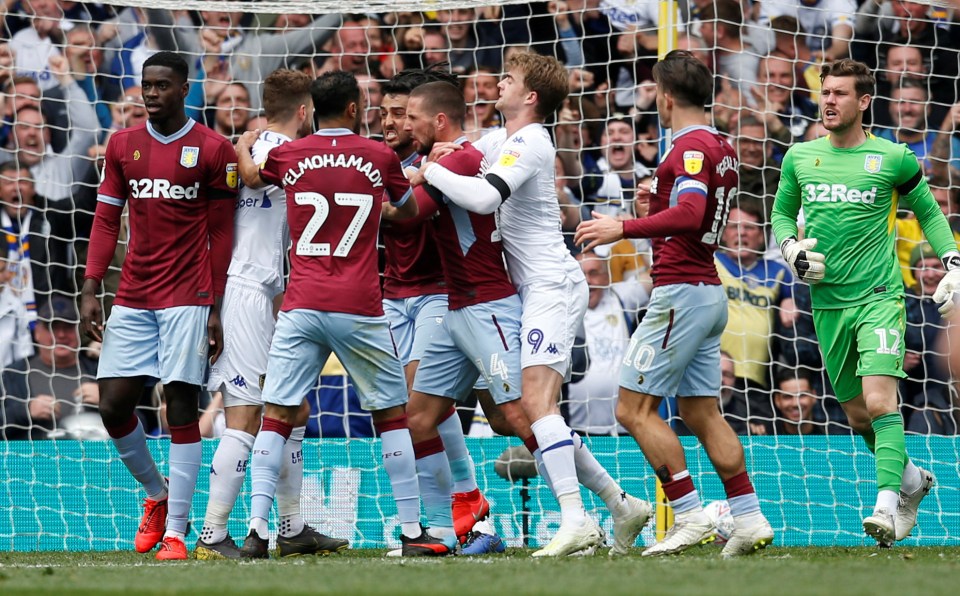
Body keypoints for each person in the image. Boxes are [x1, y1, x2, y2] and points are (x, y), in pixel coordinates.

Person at [415, 51, 648, 557]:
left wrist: (431, 174)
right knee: (517, 413)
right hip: (524, 289)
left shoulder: (535, 142)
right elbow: (463, 152)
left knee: (536, 403)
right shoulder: (503, 138)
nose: (498, 83)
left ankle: (574, 520)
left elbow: (482, 198)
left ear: (531, 96)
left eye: (509, 78)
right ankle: (619, 503)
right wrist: (435, 159)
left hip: (552, 286)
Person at [575, 49, 774, 558]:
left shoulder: (687, 148)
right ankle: (748, 517)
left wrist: (624, 225)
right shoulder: (721, 146)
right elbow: (688, 214)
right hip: (707, 291)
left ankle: (686, 513)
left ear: (665, 97)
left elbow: (690, 212)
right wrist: (654, 208)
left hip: (681, 295)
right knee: (702, 411)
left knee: (632, 407)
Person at [233, 70, 421, 558]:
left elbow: (252, 176)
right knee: (392, 416)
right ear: (356, 110)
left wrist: (244, 142)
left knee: (275, 416)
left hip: (302, 303)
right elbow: (406, 207)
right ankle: (413, 532)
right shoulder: (379, 155)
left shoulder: (288, 154)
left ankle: (256, 532)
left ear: (313, 108)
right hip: (360, 303)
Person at [769, 58, 949, 546]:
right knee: (856, 414)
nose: (828, 100)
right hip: (827, 305)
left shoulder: (893, 158)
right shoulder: (800, 157)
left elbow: (929, 212)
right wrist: (791, 249)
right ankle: (912, 479)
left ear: (864, 101)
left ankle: (886, 507)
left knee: (878, 401)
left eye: (840, 93)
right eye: (825, 92)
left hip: (880, 297)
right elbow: (782, 215)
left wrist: (952, 258)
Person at [80, 51, 238, 561]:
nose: (151, 94)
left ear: (184, 88)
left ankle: (176, 532)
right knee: (113, 405)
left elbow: (221, 230)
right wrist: (90, 285)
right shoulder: (123, 145)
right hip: (133, 293)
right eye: (146, 85)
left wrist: (214, 304)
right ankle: (157, 492)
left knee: (180, 406)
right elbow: (106, 221)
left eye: (162, 85)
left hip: (188, 296)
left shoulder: (212, 149)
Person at [197, 69, 347, 560]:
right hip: (243, 290)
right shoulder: (281, 152)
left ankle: (293, 527)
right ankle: (213, 535)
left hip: (264, 292)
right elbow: (259, 175)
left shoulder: (252, 145)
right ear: (304, 111)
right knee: (244, 416)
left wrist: (242, 143)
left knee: (293, 409)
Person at [378, 67, 495, 543]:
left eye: (399, 113)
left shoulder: (447, 159)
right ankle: (457, 519)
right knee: (410, 409)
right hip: (392, 293)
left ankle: (461, 505)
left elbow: (405, 214)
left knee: (425, 406)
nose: (388, 121)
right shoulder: (381, 157)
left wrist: (423, 172)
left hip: (442, 292)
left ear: (420, 119)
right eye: (384, 111)